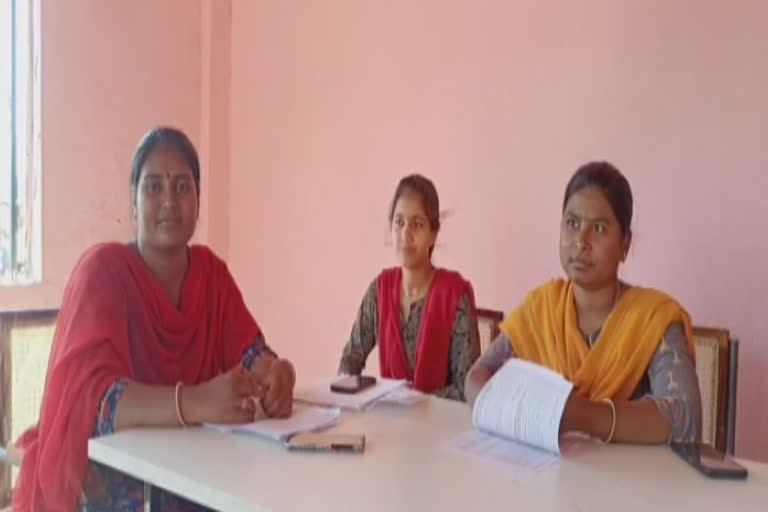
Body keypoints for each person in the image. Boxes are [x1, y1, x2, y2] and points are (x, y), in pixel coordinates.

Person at [12, 127, 296, 512]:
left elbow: (250, 353)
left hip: (201, 471)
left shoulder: (211, 275)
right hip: (114, 481)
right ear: (133, 200)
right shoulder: (104, 273)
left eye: (182, 187)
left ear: (198, 200)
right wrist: (193, 402)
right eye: (153, 187)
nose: (169, 202)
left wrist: (277, 372)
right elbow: (96, 404)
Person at [466, 161, 702, 444]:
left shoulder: (652, 319)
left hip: (630, 482)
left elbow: (683, 420)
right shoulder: (541, 309)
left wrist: (579, 415)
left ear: (625, 245)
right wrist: (515, 414)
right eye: (572, 223)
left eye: (599, 228)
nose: (581, 240)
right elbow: (477, 377)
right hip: (542, 476)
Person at [339, 174, 479, 401]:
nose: (405, 235)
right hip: (390, 424)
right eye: (399, 222)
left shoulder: (453, 296)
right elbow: (350, 358)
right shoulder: (380, 291)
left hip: (441, 427)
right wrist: (352, 397)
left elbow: (466, 389)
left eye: (417, 224)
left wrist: (414, 402)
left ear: (434, 234)